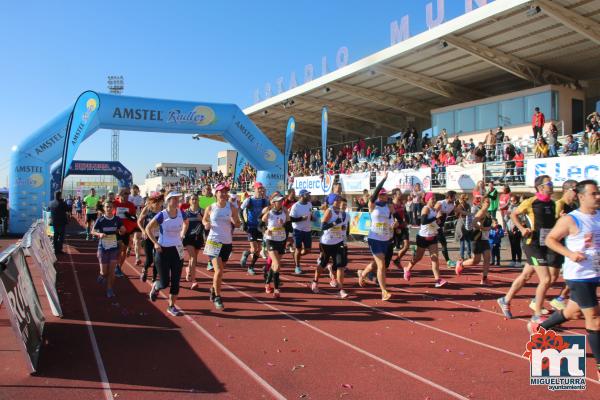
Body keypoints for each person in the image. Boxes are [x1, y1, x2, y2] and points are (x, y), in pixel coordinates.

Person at [529, 179, 600, 380]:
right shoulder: (571, 219)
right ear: (581, 196)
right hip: (579, 276)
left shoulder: (599, 216)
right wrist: (569, 254)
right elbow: (551, 239)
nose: (598, 196)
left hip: (597, 271)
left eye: (598, 192)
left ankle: (540, 328)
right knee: (594, 318)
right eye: (593, 193)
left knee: (571, 312)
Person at [497, 175, 558, 322]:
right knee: (546, 278)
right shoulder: (531, 202)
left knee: (525, 276)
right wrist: (522, 228)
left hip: (546, 245)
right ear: (541, 187)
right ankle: (537, 314)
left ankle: (505, 300)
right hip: (533, 244)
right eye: (549, 183)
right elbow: (513, 214)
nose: (552, 185)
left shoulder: (553, 204)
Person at [146, 192, 189, 316]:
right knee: (165, 283)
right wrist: (155, 243)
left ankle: (171, 306)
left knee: (176, 281)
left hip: (177, 250)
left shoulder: (181, 213)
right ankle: (156, 286)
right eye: (174, 199)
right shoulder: (162, 215)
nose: (176, 201)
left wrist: (183, 233)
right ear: (168, 201)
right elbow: (148, 228)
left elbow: (186, 223)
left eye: (178, 199)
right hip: (163, 251)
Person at [357, 173, 395, 300]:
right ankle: (384, 291)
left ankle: (362, 274)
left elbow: (391, 223)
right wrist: (383, 179)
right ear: (379, 195)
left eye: (386, 194)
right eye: (383, 194)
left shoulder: (388, 208)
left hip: (385, 239)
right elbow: (374, 194)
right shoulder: (372, 205)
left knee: (375, 264)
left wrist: (394, 225)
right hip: (374, 238)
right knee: (381, 265)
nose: (385, 196)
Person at [203, 183, 241, 310]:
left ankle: (213, 289)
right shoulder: (210, 207)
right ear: (216, 193)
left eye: (226, 192)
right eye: (221, 192)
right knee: (218, 271)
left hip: (227, 242)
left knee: (220, 272)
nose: (224, 194)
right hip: (213, 241)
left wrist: (235, 222)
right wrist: (206, 224)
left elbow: (238, 223)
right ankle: (218, 297)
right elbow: (204, 220)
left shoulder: (231, 208)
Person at [403, 192, 447, 288]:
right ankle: (407, 268)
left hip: (433, 237)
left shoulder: (435, 210)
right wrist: (435, 219)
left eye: (435, 198)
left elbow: (438, 223)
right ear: (427, 200)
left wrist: (439, 220)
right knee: (418, 257)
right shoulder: (425, 209)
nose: (434, 200)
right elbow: (423, 221)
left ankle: (438, 280)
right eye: (432, 198)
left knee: (435, 258)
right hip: (423, 237)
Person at [547, 179, 579, 311]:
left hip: (569, 246)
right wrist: (559, 219)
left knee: (575, 274)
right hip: (557, 245)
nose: (577, 193)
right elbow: (552, 225)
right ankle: (537, 299)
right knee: (551, 277)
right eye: (575, 190)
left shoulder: (575, 206)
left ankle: (560, 298)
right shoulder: (559, 204)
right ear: (567, 190)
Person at [311, 194, 349, 299]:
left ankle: (341, 289)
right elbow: (322, 227)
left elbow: (342, 226)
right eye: (337, 200)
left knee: (341, 265)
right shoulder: (329, 211)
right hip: (326, 243)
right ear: (332, 202)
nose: (339, 202)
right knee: (323, 263)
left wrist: (342, 228)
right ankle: (315, 281)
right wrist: (334, 224)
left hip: (339, 242)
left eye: (339, 200)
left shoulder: (342, 213)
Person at [92, 200, 126, 298]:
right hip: (103, 247)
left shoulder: (117, 219)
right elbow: (93, 231)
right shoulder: (101, 219)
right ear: (104, 208)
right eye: (107, 207)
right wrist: (99, 234)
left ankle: (109, 289)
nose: (109, 209)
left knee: (112, 271)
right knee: (104, 272)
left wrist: (122, 230)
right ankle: (102, 276)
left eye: (110, 207)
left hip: (113, 247)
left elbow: (122, 230)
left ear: (113, 208)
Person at [456, 197, 493, 285]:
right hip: (477, 238)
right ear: (483, 203)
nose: (488, 204)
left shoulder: (488, 213)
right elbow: (473, 223)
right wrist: (483, 228)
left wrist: (492, 226)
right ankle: (461, 264)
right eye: (487, 202)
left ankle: (484, 278)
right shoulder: (481, 212)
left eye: (489, 202)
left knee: (487, 258)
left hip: (485, 239)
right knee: (476, 261)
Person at [262, 193, 289, 298]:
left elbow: (288, 225)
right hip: (271, 240)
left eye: (282, 201)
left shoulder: (285, 211)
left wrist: (284, 223)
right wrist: (266, 230)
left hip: (281, 240)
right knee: (277, 264)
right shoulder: (268, 213)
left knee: (275, 266)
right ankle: (276, 289)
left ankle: (267, 283)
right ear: (274, 203)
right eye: (279, 201)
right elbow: (260, 224)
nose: (281, 202)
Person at [240, 182, 269, 275]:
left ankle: (250, 266)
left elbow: (269, 210)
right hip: (251, 226)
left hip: (260, 227)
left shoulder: (265, 201)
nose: (260, 190)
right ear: (254, 189)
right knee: (254, 248)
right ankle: (247, 253)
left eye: (262, 188)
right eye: (259, 188)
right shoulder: (249, 200)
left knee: (259, 249)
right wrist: (244, 222)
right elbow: (240, 211)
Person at [137, 193, 163, 283]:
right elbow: (139, 221)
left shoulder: (163, 210)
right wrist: (143, 231)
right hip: (148, 237)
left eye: (159, 201)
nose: (158, 203)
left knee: (157, 258)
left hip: (159, 238)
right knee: (150, 259)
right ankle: (145, 269)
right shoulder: (147, 209)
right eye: (156, 201)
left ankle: (155, 277)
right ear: (152, 201)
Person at [113, 188, 138, 279]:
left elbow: (134, 218)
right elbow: (109, 215)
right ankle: (115, 266)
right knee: (118, 249)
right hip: (116, 230)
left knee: (124, 250)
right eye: (125, 194)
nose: (127, 195)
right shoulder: (115, 203)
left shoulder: (131, 205)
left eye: (128, 193)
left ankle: (118, 267)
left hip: (127, 230)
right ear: (120, 195)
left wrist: (129, 216)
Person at [182, 194, 204, 290]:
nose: (194, 200)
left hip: (198, 237)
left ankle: (188, 269)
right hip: (188, 238)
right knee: (193, 257)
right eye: (192, 199)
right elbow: (181, 224)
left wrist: (202, 219)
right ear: (189, 201)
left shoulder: (202, 211)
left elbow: (208, 223)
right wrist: (182, 234)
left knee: (194, 258)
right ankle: (193, 281)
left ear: (198, 200)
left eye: (196, 199)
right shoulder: (185, 212)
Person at [289, 189, 313, 275]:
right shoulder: (295, 206)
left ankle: (296, 256)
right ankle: (297, 266)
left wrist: (313, 217)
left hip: (307, 230)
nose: (309, 196)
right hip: (298, 230)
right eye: (307, 195)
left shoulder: (310, 204)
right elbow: (291, 219)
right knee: (298, 249)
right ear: (301, 196)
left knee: (308, 250)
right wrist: (301, 219)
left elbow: (310, 214)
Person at [435, 191, 457, 268]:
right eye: (454, 197)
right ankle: (417, 248)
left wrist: (469, 214)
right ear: (449, 197)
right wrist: (437, 217)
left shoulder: (452, 205)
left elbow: (458, 211)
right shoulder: (440, 203)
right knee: (429, 244)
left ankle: (448, 261)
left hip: (439, 228)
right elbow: (432, 212)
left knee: (444, 243)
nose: (455, 198)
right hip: (432, 227)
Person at [391, 189, 410, 267]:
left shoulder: (402, 203)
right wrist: (396, 226)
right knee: (391, 247)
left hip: (403, 226)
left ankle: (397, 259)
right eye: (399, 193)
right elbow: (392, 216)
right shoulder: (391, 205)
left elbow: (405, 213)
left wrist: (407, 221)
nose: (401, 194)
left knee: (406, 246)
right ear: (395, 195)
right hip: (394, 227)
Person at [129, 185, 145, 266]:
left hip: (137, 220)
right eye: (133, 190)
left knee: (137, 240)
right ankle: (129, 247)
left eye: (136, 190)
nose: (135, 191)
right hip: (129, 221)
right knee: (130, 239)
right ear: (130, 190)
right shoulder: (127, 198)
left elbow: (143, 209)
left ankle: (137, 258)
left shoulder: (140, 198)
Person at [454, 194, 473, 261]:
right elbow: (469, 213)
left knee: (462, 240)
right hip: (468, 222)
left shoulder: (459, 206)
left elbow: (456, 215)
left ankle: (462, 256)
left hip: (461, 223)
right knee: (468, 240)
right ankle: (469, 255)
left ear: (461, 199)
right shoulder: (468, 205)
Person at [506, 195, 523, 267]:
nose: (511, 202)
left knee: (517, 245)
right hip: (510, 228)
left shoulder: (519, 208)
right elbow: (506, 219)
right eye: (510, 201)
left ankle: (519, 261)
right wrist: (507, 215)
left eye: (512, 201)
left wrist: (516, 227)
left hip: (517, 229)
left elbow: (521, 218)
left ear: (516, 201)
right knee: (512, 245)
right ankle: (513, 260)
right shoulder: (510, 207)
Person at [282, 189, 297, 253]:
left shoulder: (296, 201)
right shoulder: (285, 201)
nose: (294, 194)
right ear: (289, 193)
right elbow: (282, 209)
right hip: (286, 220)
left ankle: (290, 245)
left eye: (294, 192)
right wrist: (288, 210)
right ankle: (284, 247)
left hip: (293, 219)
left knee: (292, 234)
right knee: (286, 234)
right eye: (293, 192)